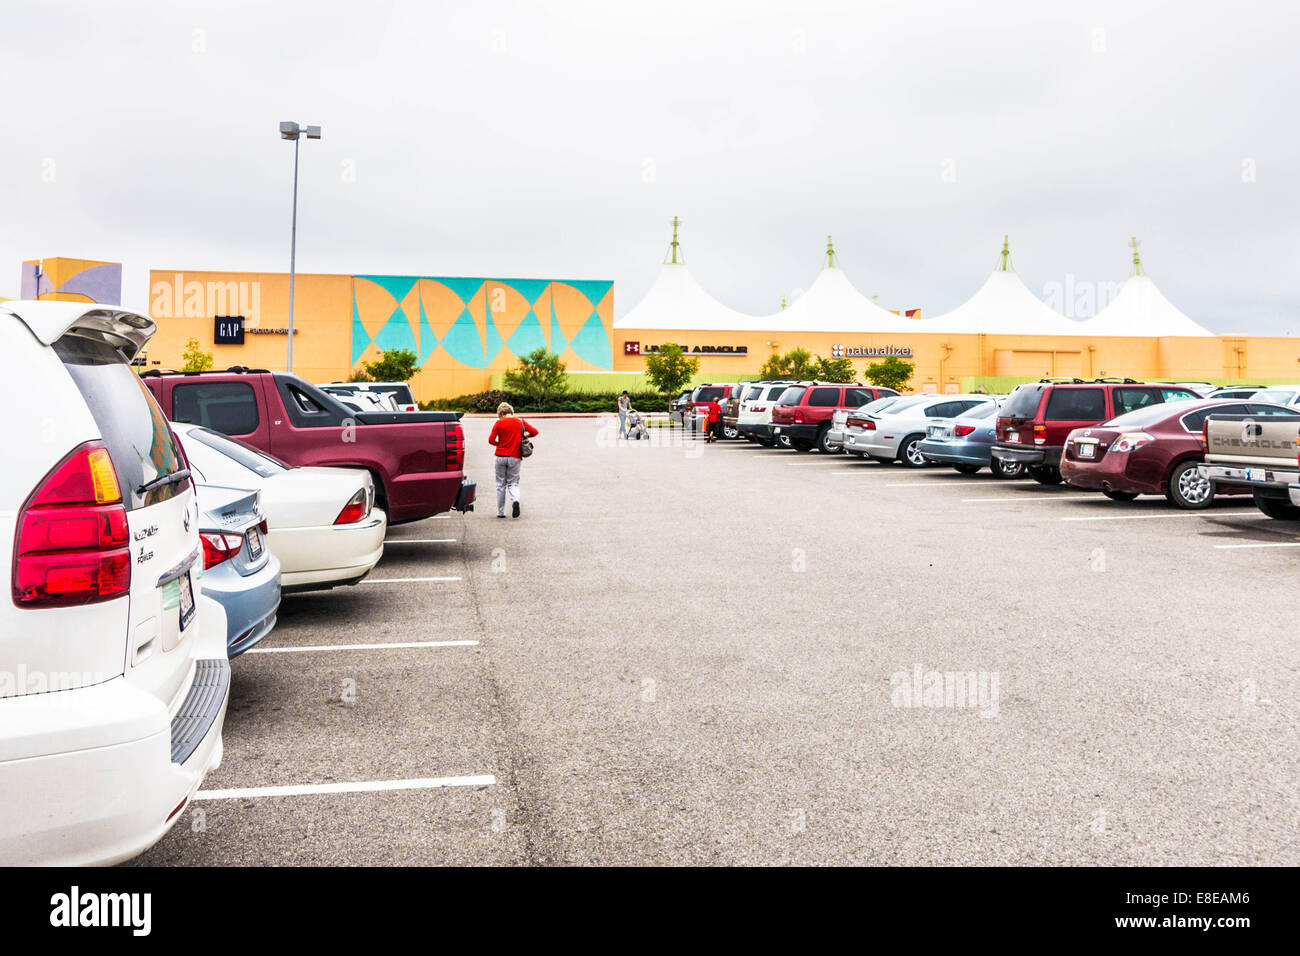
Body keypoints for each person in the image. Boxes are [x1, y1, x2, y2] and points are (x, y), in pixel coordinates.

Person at [487, 403, 538, 518]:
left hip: (500, 456)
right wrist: (525, 437)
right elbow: (535, 432)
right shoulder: (520, 422)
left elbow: (491, 440)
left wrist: (499, 444)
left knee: (500, 485)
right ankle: (515, 500)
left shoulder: (499, 423)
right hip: (515, 457)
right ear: (511, 412)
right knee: (513, 483)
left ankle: (501, 512)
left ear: (501, 413)